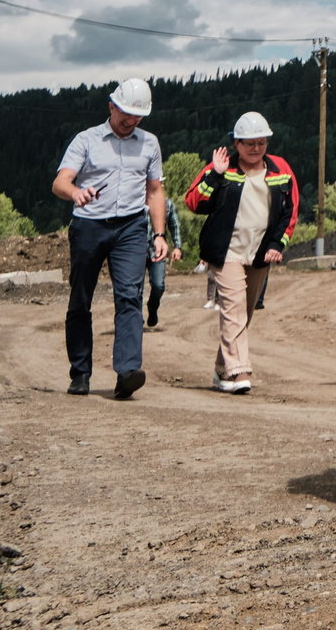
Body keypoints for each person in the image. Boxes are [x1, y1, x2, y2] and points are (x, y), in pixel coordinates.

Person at [52, 78, 169, 400]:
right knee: (81, 298)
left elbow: (155, 191)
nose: (131, 121)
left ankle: (127, 372)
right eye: (126, 114)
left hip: (131, 227)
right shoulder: (86, 140)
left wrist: (159, 234)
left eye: (138, 116)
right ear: (112, 106)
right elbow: (60, 182)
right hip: (89, 226)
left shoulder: (150, 143)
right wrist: (76, 192)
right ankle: (80, 373)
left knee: (130, 296)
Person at [182, 112, 298, 394]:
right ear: (236, 143)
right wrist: (215, 175)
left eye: (261, 143)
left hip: (259, 254)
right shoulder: (222, 168)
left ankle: (223, 369)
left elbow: (289, 211)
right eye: (249, 144)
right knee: (233, 311)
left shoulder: (280, 169)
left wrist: (276, 245)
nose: (256, 149)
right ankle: (239, 371)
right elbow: (193, 202)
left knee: (244, 314)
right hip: (227, 253)